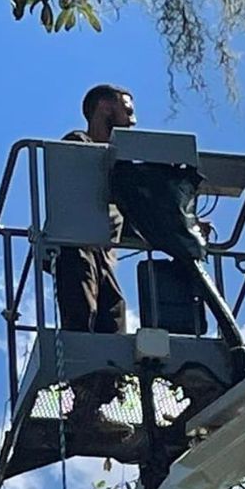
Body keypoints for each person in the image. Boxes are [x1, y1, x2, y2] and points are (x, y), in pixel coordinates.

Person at [54, 84, 136, 425]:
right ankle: (84, 392)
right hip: (78, 247)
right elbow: (76, 192)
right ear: (105, 108)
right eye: (127, 111)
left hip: (103, 256)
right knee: (82, 311)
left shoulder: (121, 171)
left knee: (113, 315)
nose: (133, 121)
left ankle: (101, 397)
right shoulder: (79, 144)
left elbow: (134, 219)